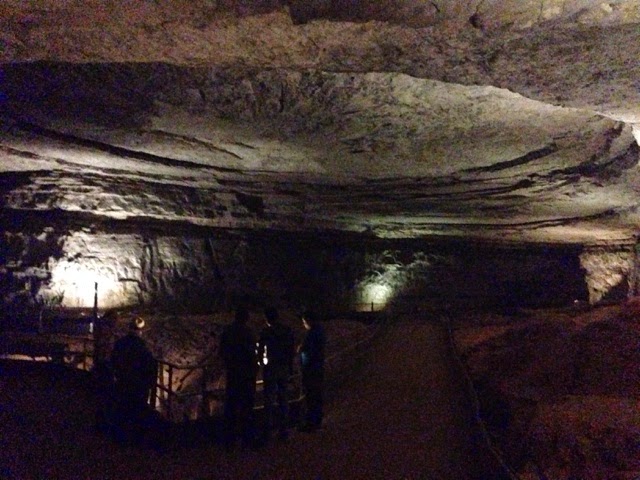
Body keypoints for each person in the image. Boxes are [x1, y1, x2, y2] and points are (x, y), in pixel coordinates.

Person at [110, 317, 157, 443]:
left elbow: (113, 361)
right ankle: (134, 436)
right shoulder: (142, 347)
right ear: (140, 331)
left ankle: (121, 435)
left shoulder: (120, 343)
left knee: (124, 408)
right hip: (138, 385)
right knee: (137, 410)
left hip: (123, 382)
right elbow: (149, 366)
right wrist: (149, 383)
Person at [220, 306, 258, 450]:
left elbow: (222, 351)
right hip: (246, 374)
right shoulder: (248, 333)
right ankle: (246, 438)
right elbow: (251, 352)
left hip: (233, 372)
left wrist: (228, 364)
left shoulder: (227, 332)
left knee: (231, 405)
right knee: (246, 406)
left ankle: (229, 439)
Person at [257, 306, 295, 442]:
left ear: (267, 318)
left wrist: (261, 363)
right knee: (283, 398)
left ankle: (267, 430)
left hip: (271, 367)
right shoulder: (286, 330)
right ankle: (284, 430)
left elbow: (260, 349)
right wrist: (290, 366)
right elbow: (291, 349)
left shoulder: (266, 331)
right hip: (283, 367)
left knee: (269, 399)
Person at [298, 310, 326, 432]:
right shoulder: (320, 331)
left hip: (310, 368)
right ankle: (317, 420)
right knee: (317, 395)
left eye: (304, 322)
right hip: (318, 367)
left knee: (311, 395)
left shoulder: (312, 333)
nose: (304, 324)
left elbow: (305, 348)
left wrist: (300, 349)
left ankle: (311, 422)